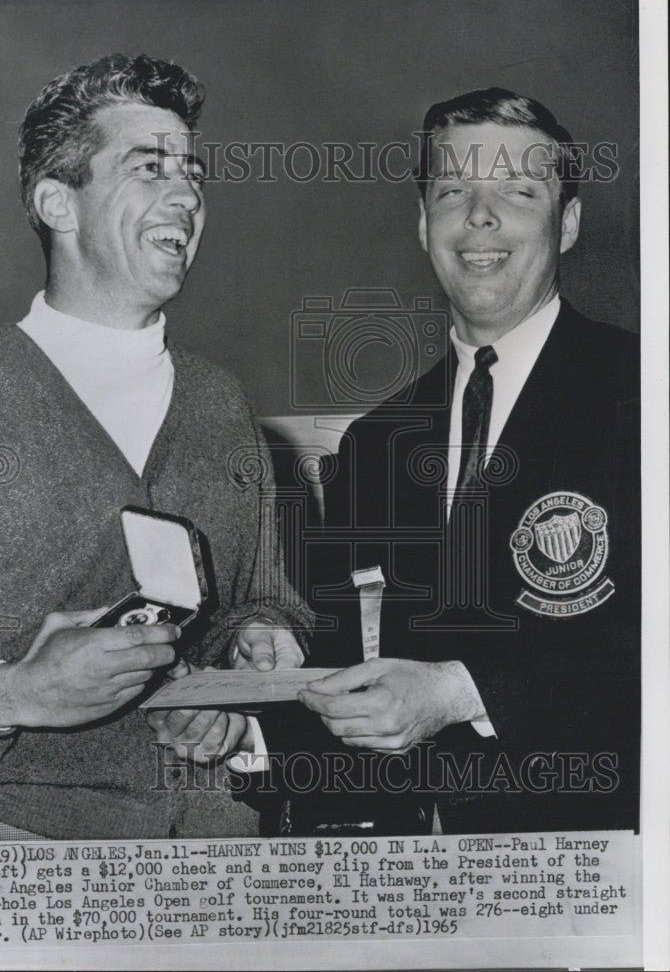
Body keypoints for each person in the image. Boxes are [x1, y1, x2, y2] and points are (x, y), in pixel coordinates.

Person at [251, 88, 640, 835]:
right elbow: (350, 678)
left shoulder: (642, 395)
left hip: (597, 876)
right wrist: (246, 735)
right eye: (454, 190)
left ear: (568, 224)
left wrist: (464, 692)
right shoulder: (375, 442)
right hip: (415, 894)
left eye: (518, 192)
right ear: (425, 222)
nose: (481, 217)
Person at [0, 53, 309, 840]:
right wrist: (4, 696)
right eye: (149, 170)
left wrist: (251, 667)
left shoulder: (221, 403)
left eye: (191, 173)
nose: (186, 195)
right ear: (58, 202)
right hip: (16, 850)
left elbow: (261, 601)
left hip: (219, 843)